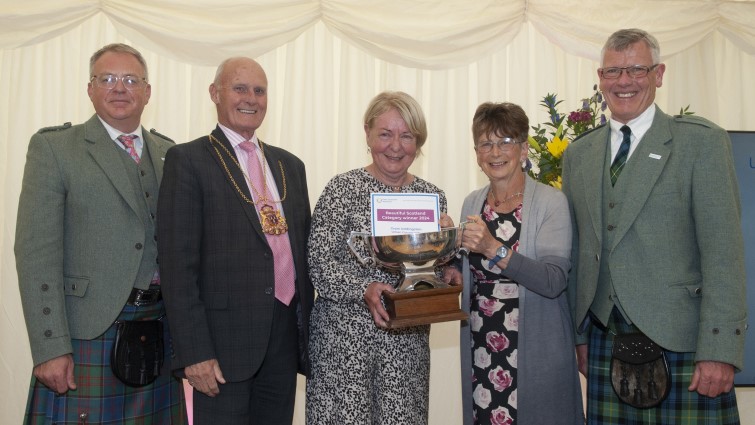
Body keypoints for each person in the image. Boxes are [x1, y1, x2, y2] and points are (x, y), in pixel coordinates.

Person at [562, 28, 747, 424]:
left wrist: (719, 350)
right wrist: (578, 335)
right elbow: (577, 252)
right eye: (612, 72)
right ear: (600, 77)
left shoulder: (701, 143)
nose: (623, 81)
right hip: (603, 342)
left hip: (685, 347)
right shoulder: (579, 154)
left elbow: (724, 256)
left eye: (636, 69)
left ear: (659, 74)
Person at [14, 43, 186, 424]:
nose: (119, 88)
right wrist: (49, 347)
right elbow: (35, 254)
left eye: (130, 79)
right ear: (89, 88)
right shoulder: (55, 148)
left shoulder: (170, 154)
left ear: (148, 91)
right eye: (107, 79)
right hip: (85, 335)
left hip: (160, 332)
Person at [157, 57, 313, 425]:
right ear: (215, 93)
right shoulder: (188, 160)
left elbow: (306, 250)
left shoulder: (290, 166)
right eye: (239, 88)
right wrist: (193, 352)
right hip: (221, 350)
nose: (251, 98)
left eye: (260, 90)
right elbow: (178, 266)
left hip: (284, 339)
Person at [305, 91, 453, 424]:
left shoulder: (432, 197)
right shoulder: (341, 190)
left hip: (406, 347)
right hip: (345, 346)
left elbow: (429, 273)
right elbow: (320, 265)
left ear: (419, 141)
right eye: (385, 134)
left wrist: (447, 254)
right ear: (368, 133)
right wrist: (365, 287)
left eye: (407, 136)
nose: (396, 146)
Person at [443, 102, 583, 424]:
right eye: (486, 143)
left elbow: (553, 281)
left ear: (523, 149)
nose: (495, 151)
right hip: (482, 344)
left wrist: (494, 247)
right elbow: (471, 277)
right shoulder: (472, 202)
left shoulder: (551, 202)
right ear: (477, 154)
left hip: (536, 347)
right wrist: (447, 259)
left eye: (505, 141)